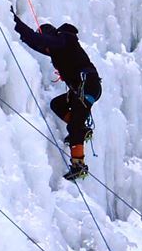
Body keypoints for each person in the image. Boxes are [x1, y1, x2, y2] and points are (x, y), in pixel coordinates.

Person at [12, 13, 101, 181]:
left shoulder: (65, 39)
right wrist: (15, 25)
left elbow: (40, 41)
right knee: (57, 105)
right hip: (81, 89)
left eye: (47, 45)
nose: (47, 51)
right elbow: (33, 41)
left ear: (50, 35)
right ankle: (80, 128)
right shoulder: (57, 48)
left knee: (75, 125)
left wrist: (14, 18)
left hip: (87, 85)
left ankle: (78, 164)